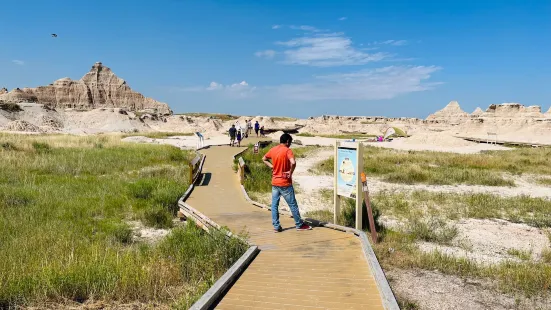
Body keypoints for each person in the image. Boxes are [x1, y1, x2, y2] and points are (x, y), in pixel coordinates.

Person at [262, 133, 312, 232]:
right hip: (285, 182)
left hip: (275, 182)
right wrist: (290, 172)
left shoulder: (273, 149)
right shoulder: (287, 150)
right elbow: (293, 162)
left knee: (274, 205)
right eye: (290, 142)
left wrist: (271, 166)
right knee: (292, 204)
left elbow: (264, 158)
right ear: (288, 141)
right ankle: (299, 224)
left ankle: (276, 226)